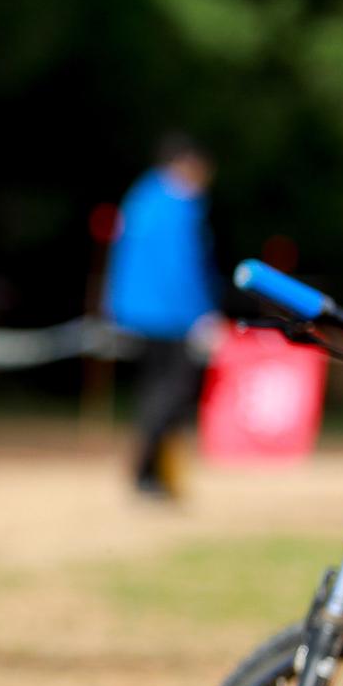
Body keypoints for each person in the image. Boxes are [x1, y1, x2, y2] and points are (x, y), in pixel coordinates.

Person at [103, 134, 222, 499]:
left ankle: (154, 474)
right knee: (170, 395)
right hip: (170, 315)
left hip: (135, 312)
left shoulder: (142, 196)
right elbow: (180, 268)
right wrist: (201, 315)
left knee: (154, 392)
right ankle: (148, 474)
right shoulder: (177, 203)